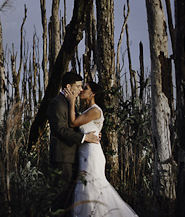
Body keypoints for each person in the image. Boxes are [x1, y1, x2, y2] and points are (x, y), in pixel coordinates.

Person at [64, 81, 138, 217]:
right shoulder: (87, 111)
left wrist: (72, 100)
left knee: (92, 188)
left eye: (85, 88)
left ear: (92, 93)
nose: (81, 90)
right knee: (87, 187)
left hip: (92, 155)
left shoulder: (95, 110)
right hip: (84, 154)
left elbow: (73, 122)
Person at [48, 71, 100, 214]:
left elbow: (76, 126)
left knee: (69, 197)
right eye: (78, 86)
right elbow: (61, 131)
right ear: (68, 87)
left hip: (72, 156)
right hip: (62, 157)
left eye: (82, 87)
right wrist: (84, 138)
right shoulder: (57, 103)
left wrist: (93, 132)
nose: (80, 89)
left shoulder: (69, 103)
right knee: (61, 197)